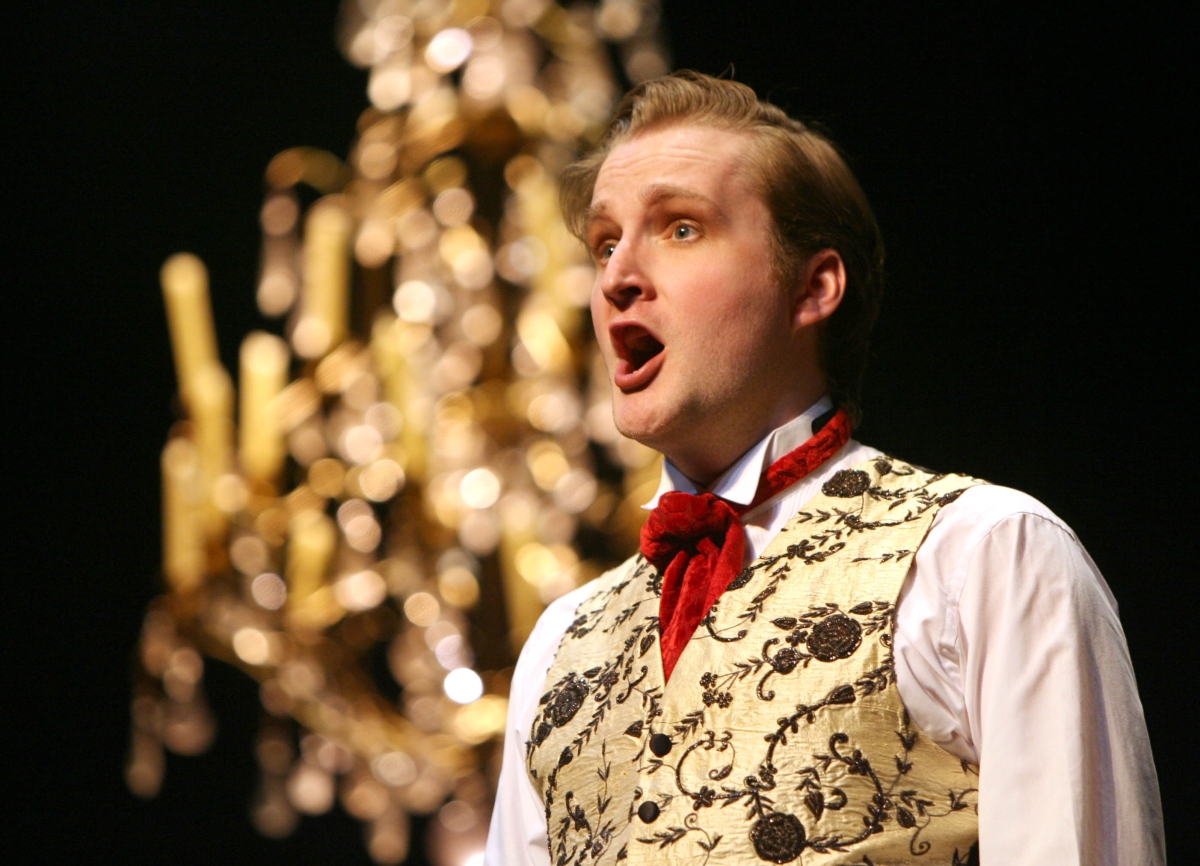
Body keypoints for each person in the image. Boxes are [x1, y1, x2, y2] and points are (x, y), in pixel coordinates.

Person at [484, 71, 1163, 865]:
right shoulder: (561, 644)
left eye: (681, 229)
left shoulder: (981, 556)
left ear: (813, 288)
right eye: (605, 243)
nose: (615, 278)